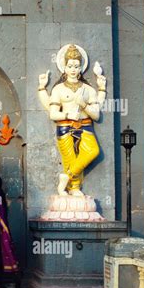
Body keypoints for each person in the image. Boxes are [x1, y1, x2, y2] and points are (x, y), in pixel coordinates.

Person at [38, 44, 107, 197]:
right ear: (64, 67)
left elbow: (96, 115)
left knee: (93, 151)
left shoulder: (88, 90)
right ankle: (74, 187)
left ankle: (66, 176)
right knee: (70, 159)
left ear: (81, 67)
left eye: (76, 66)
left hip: (85, 125)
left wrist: (83, 104)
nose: (73, 70)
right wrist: (68, 115)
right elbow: (53, 114)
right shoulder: (58, 89)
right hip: (65, 127)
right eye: (70, 66)